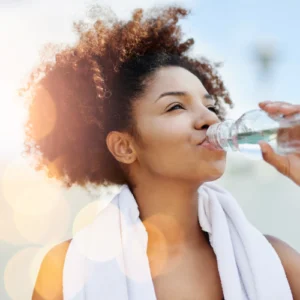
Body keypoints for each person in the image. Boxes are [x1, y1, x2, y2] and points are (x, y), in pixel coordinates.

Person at [18, 5, 300, 300]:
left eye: (210, 105)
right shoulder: (66, 271)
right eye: (175, 106)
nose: (211, 119)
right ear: (125, 147)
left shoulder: (277, 262)